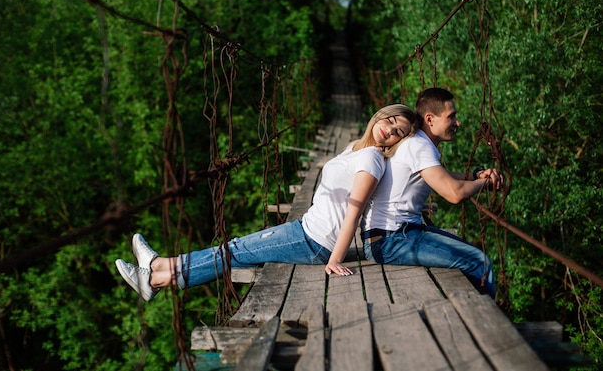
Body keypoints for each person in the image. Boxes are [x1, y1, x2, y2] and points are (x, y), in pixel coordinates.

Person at [116, 104, 418, 301]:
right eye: (390, 120)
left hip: (316, 241)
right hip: (307, 229)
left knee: (234, 250)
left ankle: (156, 274)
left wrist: (335, 258)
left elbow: (354, 211)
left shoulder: (372, 158)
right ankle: (157, 273)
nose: (389, 130)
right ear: (380, 114)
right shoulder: (356, 147)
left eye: (398, 132)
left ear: (397, 141)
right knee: (234, 251)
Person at [361, 87, 503, 298]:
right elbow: (454, 194)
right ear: (430, 119)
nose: (457, 123)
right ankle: (483, 326)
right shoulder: (418, 146)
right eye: (451, 116)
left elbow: (441, 175)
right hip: (390, 240)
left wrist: (475, 176)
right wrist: (486, 184)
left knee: (469, 251)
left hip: (393, 234)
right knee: (478, 262)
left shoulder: (417, 141)